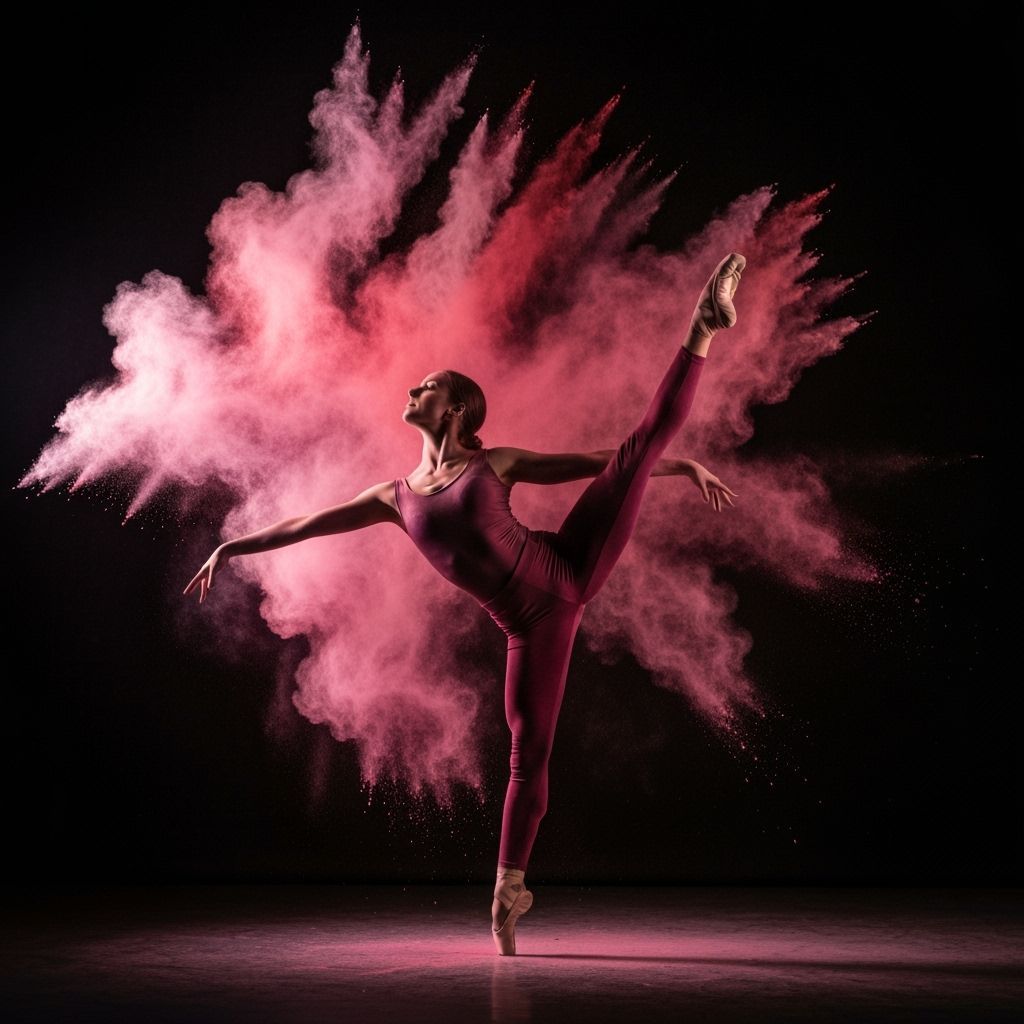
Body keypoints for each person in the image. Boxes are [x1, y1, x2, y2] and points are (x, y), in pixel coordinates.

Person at [184, 252, 745, 955]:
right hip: (531, 625)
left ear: (453, 409)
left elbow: (596, 463)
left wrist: (671, 465)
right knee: (527, 751)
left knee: (637, 447)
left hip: (573, 561)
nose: (413, 388)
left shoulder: (494, 462)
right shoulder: (393, 498)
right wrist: (231, 547)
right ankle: (509, 890)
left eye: (427, 386)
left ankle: (703, 324)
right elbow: (309, 523)